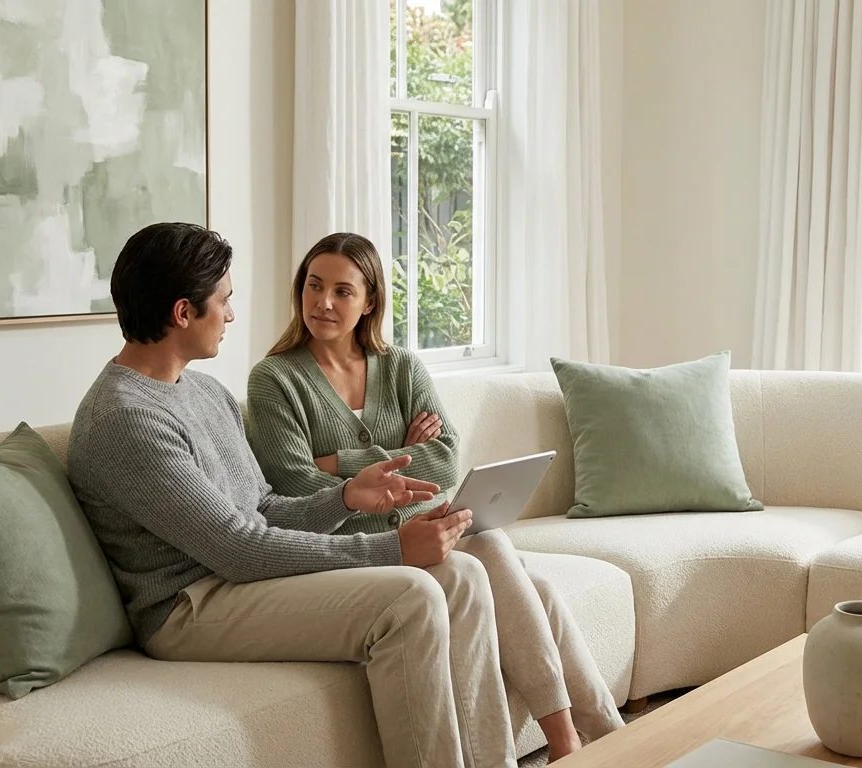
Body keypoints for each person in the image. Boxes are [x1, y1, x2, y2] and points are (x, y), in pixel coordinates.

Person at [67, 222, 517, 768]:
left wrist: (347, 496)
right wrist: (393, 549)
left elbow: (264, 509)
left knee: (462, 576)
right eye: (225, 301)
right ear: (184, 313)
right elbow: (238, 548)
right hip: (188, 606)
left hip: (236, 577)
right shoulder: (127, 419)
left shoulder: (205, 391)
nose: (232, 316)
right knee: (411, 597)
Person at [246, 232, 625, 762]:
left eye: (341, 291)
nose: (323, 303)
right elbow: (295, 484)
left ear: (370, 301)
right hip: (348, 556)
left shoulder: (401, 366)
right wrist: (396, 452)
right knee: (512, 569)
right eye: (313, 286)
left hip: (424, 533)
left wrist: (339, 464)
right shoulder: (274, 379)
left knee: (508, 563)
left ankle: (585, 739)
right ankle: (593, 737)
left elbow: (446, 458)